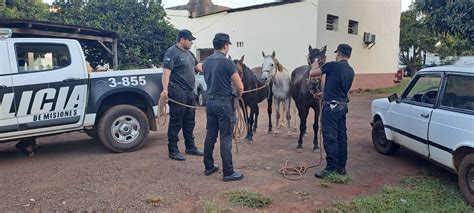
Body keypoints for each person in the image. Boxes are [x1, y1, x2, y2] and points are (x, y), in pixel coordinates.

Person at [202, 33, 244, 182]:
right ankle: (228, 172)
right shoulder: (227, 63)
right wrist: (239, 94)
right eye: (228, 45)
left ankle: (208, 166)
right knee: (226, 138)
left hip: (210, 102)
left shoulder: (206, 62)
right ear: (225, 45)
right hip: (224, 104)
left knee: (210, 136)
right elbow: (239, 86)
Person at [309, 44, 355, 178]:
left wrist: (314, 64)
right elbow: (339, 89)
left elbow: (313, 73)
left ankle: (330, 169)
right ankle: (341, 168)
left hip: (331, 108)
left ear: (339, 54)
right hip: (342, 106)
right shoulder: (350, 70)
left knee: (330, 137)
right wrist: (324, 95)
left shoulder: (333, 65)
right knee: (341, 137)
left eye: (336, 53)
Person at [160, 29, 204, 161]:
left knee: (190, 121)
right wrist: (165, 89)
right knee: (176, 121)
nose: (191, 42)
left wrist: (213, 66)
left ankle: (190, 147)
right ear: (182, 39)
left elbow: (197, 67)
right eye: (190, 40)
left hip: (190, 92)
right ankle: (173, 150)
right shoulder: (172, 52)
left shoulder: (190, 54)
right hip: (178, 91)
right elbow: (166, 72)